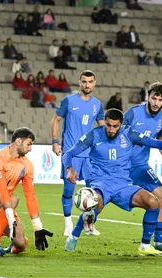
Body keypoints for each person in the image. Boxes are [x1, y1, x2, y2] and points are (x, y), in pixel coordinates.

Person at [62, 109, 162, 255]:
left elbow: (153, 142)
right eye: (108, 125)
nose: (111, 129)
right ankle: (73, 236)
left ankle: (145, 246)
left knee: (154, 203)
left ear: (121, 124)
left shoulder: (129, 134)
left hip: (123, 185)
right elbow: (69, 153)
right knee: (93, 204)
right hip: (101, 183)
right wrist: (69, 168)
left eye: (115, 126)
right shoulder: (94, 135)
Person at [0, 127, 53, 256]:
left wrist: (38, 227)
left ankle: (7, 248)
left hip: (6, 205)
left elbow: (30, 195)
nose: (31, 148)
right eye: (29, 144)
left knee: (21, 244)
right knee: (13, 198)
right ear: (18, 141)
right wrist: (10, 217)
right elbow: (2, 189)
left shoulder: (27, 165)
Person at [123, 82, 162, 254]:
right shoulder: (133, 113)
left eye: (160, 99)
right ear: (147, 96)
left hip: (141, 166)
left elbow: (160, 142)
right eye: (154, 98)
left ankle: (158, 241)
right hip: (123, 166)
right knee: (106, 198)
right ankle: (83, 226)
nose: (156, 102)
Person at [50, 70, 105, 237]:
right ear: (79, 83)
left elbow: (102, 128)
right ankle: (68, 224)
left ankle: (88, 225)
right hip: (71, 154)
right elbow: (56, 120)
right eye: (84, 81)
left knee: (94, 192)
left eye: (90, 82)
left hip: (89, 156)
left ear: (94, 83)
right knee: (68, 191)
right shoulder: (68, 101)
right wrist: (54, 142)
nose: (87, 84)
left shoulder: (97, 104)